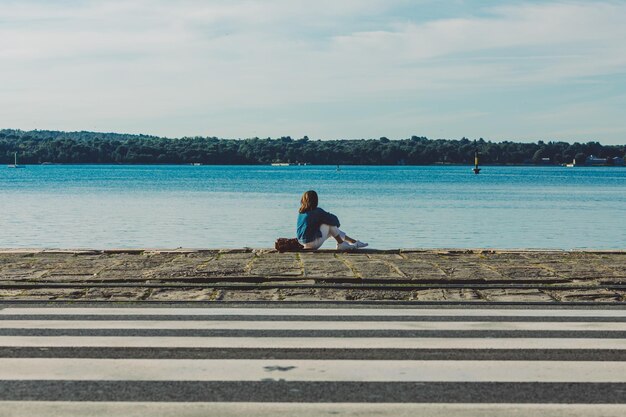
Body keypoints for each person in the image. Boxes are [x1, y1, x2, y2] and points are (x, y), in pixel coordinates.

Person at [297, 190, 368, 251]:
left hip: (303, 243)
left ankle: (353, 241)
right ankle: (341, 244)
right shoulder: (317, 211)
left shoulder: (301, 213)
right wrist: (334, 224)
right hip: (312, 244)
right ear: (315, 200)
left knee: (330, 227)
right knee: (329, 224)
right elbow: (334, 221)